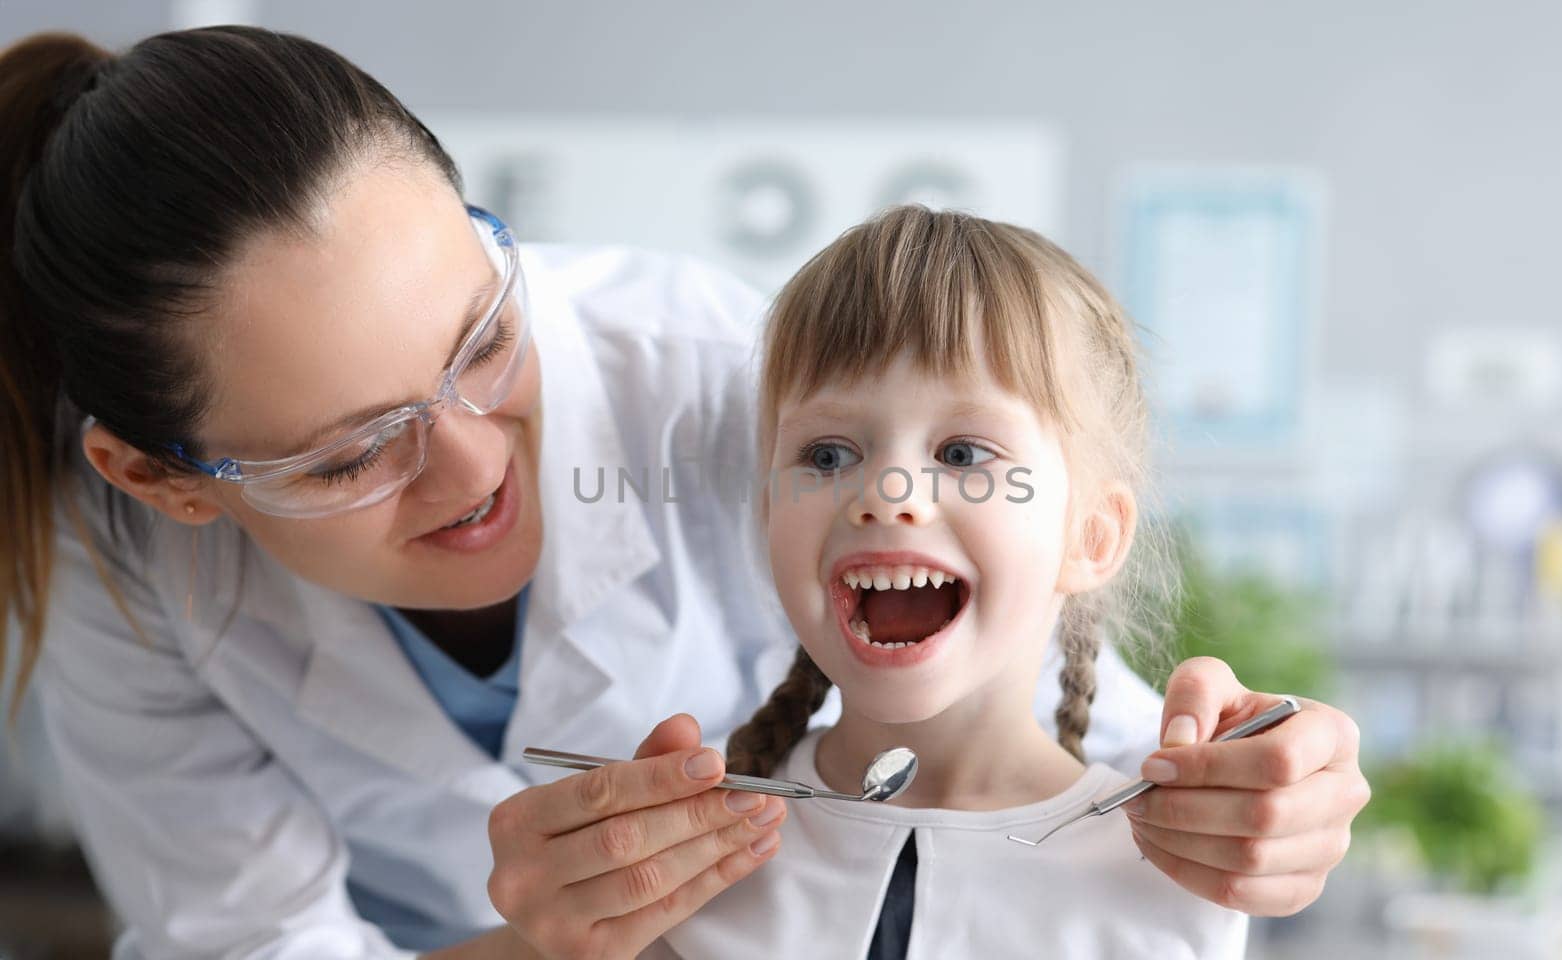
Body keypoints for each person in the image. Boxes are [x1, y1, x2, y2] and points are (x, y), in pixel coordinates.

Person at [0, 25, 1370, 960]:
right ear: (166, 481)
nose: (480, 469)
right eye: (353, 452)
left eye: (483, 340)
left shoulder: (730, 384)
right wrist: (539, 949)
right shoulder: (129, 563)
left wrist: (1267, 789)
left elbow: (1060, 715)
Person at [646, 206, 1246, 958]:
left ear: (1091, 535)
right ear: (768, 517)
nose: (886, 492)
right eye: (828, 455)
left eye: (962, 453)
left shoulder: (1171, 883)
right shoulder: (685, 868)